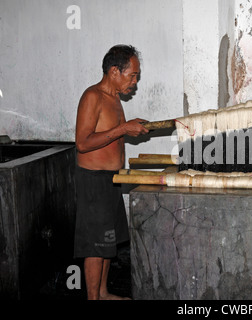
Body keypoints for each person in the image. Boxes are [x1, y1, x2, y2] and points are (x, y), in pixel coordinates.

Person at [74, 44, 149, 300]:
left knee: (108, 240)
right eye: (132, 75)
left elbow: (115, 136)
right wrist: (122, 129)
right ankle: (93, 298)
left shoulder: (115, 99)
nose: (135, 82)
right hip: (93, 181)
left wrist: (131, 127)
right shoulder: (92, 96)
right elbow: (82, 143)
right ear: (114, 71)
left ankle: (103, 292)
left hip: (112, 180)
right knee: (95, 245)